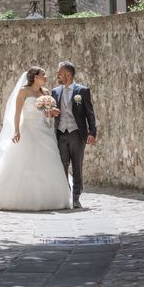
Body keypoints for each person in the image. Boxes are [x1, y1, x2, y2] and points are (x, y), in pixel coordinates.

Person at [0, 66, 72, 211]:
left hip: (45, 131)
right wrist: (16, 131)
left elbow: (46, 114)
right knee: (27, 161)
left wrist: (51, 112)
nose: (46, 77)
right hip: (28, 129)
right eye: (43, 75)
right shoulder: (24, 91)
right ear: (35, 77)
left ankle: (50, 198)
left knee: (47, 161)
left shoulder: (46, 92)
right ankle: (22, 198)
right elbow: (17, 113)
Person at [51, 61, 97, 209]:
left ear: (68, 75)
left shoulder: (82, 91)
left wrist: (92, 132)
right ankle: (66, 195)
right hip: (61, 134)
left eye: (60, 72)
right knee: (62, 166)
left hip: (77, 134)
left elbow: (90, 113)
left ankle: (76, 197)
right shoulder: (55, 92)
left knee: (77, 166)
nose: (57, 75)